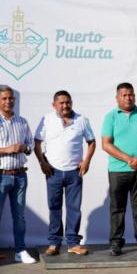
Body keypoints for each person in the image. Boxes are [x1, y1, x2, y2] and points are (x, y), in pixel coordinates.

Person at [34, 90, 96, 256]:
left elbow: (91, 142)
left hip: (74, 173)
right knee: (54, 208)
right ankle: (54, 243)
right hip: (53, 171)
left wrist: (86, 161)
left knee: (74, 208)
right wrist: (42, 163)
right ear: (54, 105)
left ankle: (73, 243)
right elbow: (37, 143)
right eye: (61, 103)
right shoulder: (47, 120)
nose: (65, 105)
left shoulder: (81, 120)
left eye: (68, 102)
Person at [101, 83, 137, 256]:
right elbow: (106, 144)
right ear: (117, 97)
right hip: (118, 171)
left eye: (131, 94)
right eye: (124, 95)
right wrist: (128, 159)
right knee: (117, 208)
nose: (128, 98)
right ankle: (116, 243)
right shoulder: (111, 117)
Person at [0, 85, 36, 264]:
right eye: (4, 98)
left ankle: (20, 251)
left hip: (20, 176)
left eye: (11, 98)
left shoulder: (22, 122)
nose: (8, 101)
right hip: (1, 175)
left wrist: (24, 148)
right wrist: (6, 149)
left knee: (20, 217)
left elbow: (31, 146)